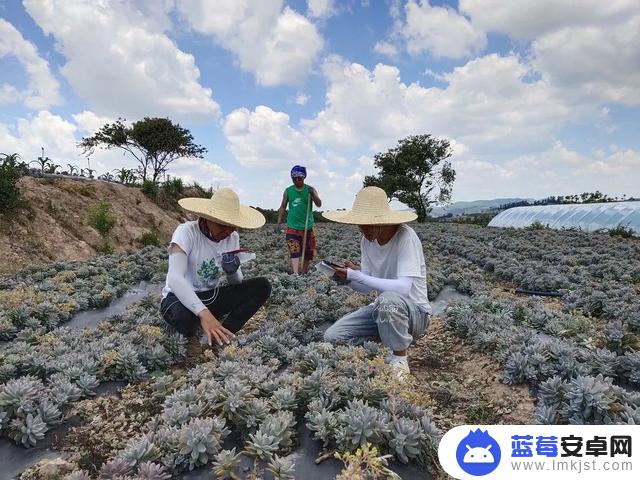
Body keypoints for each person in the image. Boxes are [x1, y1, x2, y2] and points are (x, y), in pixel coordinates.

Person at [321, 186, 431, 375]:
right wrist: (346, 278)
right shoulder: (367, 241)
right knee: (332, 336)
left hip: (415, 313)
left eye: (367, 224)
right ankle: (382, 347)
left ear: (381, 221)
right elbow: (365, 286)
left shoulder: (406, 237)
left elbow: (403, 288)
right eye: (359, 223)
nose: (362, 229)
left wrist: (358, 275)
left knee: (388, 299)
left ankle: (399, 359)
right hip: (383, 309)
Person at [160, 187, 271, 365]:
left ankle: (220, 336)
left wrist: (232, 271)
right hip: (178, 298)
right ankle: (191, 335)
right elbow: (175, 279)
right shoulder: (186, 232)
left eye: (231, 225)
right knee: (185, 317)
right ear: (208, 218)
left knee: (262, 286)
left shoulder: (232, 237)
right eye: (222, 224)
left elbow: (237, 282)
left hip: (209, 296)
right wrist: (206, 315)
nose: (227, 230)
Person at [277, 165, 322, 274]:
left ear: (304, 177)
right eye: (294, 178)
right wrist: (279, 222)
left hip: (307, 227)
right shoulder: (288, 191)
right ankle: (296, 274)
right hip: (292, 227)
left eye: (299, 178)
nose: (297, 181)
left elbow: (319, 204)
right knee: (294, 251)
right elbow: (283, 206)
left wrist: (313, 195)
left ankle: (304, 273)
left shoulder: (310, 189)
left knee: (307, 252)